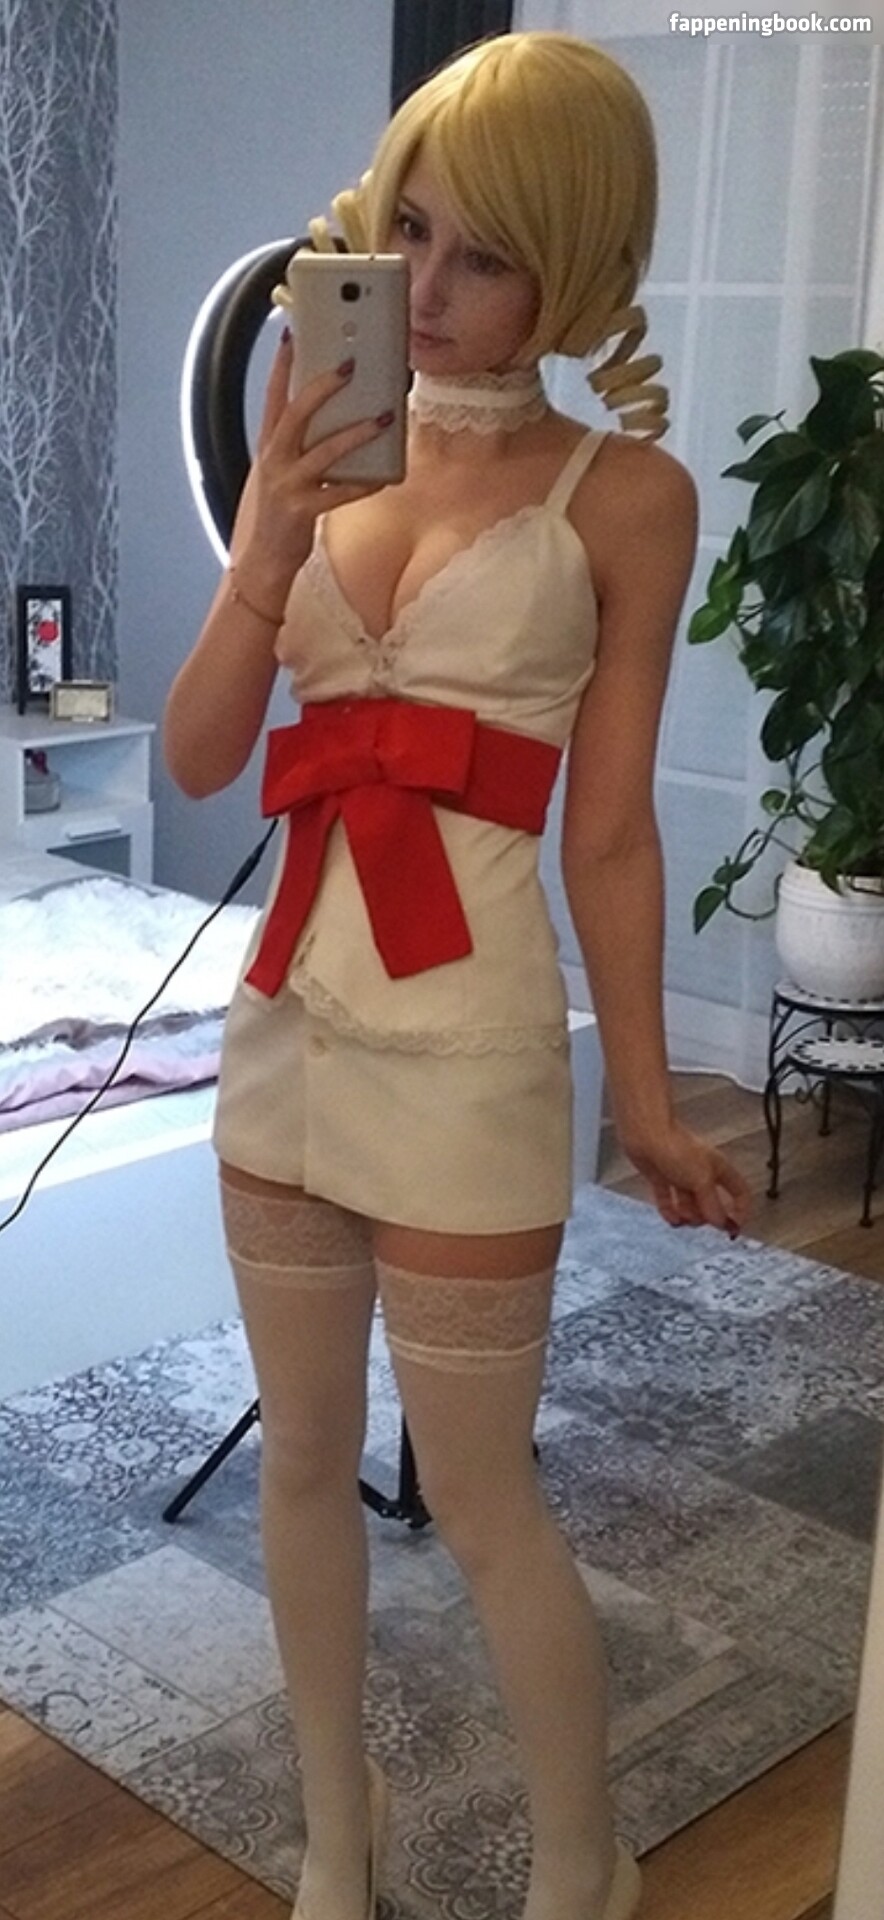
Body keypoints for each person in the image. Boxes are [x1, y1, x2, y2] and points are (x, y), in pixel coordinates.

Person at [164, 29, 753, 1920]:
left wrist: (645, 1100)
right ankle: (337, 1838)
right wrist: (265, 539)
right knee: (302, 1463)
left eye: (485, 256)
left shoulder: (626, 495)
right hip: (287, 1024)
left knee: (487, 1498)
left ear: (573, 275)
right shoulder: (316, 435)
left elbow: (612, 834)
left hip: (473, 1040)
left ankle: (584, 1863)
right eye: (408, 231)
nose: (424, 290)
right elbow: (198, 755)